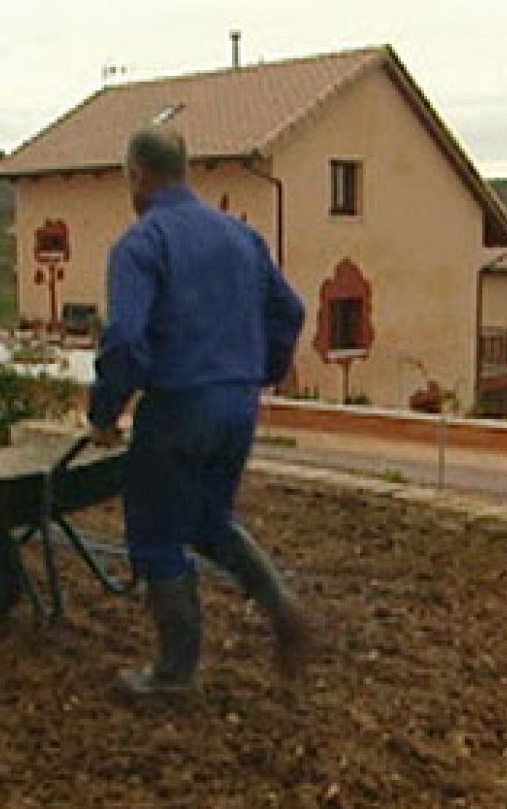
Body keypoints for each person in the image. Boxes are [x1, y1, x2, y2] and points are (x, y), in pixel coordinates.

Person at [89, 125, 312, 696]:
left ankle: (173, 674)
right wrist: (260, 370)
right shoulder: (242, 239)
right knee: (210, 522)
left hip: (178, 407)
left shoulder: (142, 244)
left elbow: (124, 342)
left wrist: (105, 410)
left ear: (137, 174)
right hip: (237, 406)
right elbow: (289, 310)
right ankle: (281, 604)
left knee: (158, 536)